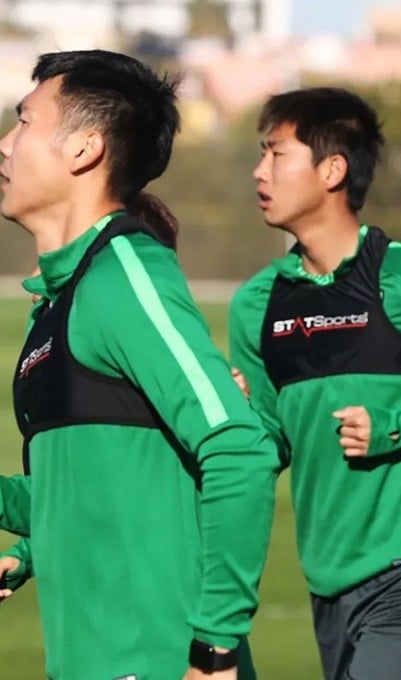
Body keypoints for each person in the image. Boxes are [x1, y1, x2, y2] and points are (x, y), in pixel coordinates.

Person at [0, 49, 279, 679]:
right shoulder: (60, 301)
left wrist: (214, 648)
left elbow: (238, 447)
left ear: (84, 149)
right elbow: (73, 496)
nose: (5, 144)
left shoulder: (125, 272)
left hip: (153, 664)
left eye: (24, 121)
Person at [228, 87, 401, 680]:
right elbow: (269, 444)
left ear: (333, 169)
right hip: (326, 588)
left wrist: (399, 424)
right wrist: (228, 417)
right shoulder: (255, 305)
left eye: (275, 154)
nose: (259, 171)